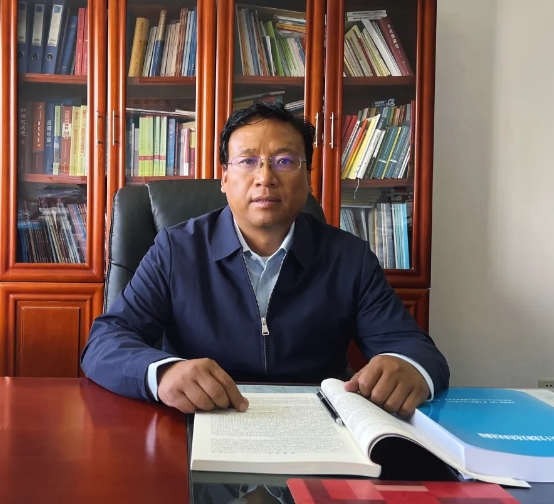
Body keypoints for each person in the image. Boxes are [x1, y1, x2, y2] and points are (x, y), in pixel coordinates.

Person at [81, 102, 449, 416]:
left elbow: (416, 349)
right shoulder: (176, 250)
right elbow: (105, 343)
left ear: (308, 179)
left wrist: (408, 367)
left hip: (316, 424)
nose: (265, 178)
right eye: (248, 161)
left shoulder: (349, 257)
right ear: (225, 178)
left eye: (284, 161)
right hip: (203, 418)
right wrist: (162, 373)